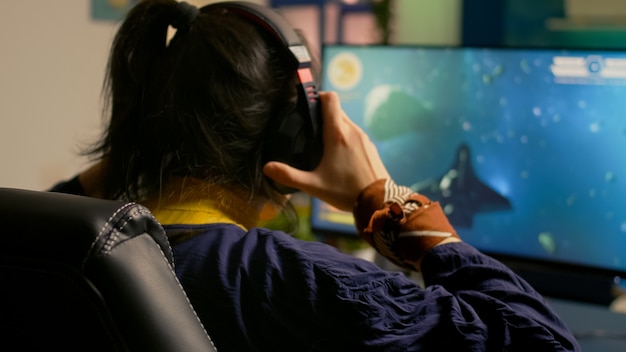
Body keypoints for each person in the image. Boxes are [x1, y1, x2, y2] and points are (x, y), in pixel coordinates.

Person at [50, 1, 581, 351]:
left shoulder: (57, 254)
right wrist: (386, 201)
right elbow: (541, 343)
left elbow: (55, 207)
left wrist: (137, 147)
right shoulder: (280, 277)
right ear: (294, 138)